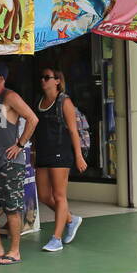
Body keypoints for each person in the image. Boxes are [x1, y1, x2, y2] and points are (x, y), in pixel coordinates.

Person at [0, 60, 38, 266]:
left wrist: (20, 145)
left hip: (11, 162)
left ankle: (15, 251)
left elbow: (32, 118)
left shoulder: (10, 96)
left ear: (1, 78)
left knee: (12, 209)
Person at [33, 67, 87, 252]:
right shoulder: (38, 101)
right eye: (41, 77)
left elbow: (73, 130)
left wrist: (78, 156)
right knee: (43, 195)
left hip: (60, 153)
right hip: (42, 153)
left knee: (59, 195)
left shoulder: (64, 101)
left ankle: (56, 238)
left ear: (57, 81)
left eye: (47, 77)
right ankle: (71, 219)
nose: (43, 80)